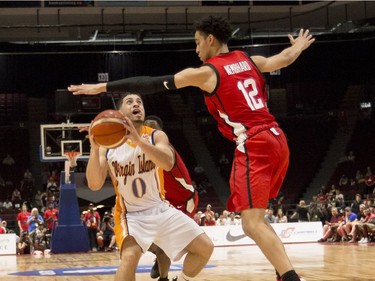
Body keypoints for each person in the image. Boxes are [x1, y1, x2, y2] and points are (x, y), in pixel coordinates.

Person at [68, 15, 314, 281]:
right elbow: (285, 58)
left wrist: (102, 87)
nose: (196, 50)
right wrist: (299, 45)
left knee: (251, 223)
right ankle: (282, 272)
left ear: (210, 39)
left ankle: (290, 277)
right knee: (257, 219)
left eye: (197, 43)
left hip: (253, 141)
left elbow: (150, 83)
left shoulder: (207, 72)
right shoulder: (249, 60)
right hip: (278, 138)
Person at [80, 93, 213, 281]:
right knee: (130, 257)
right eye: (130, 102)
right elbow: (94, 185)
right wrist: (94, 149)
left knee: (205, 248)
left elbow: (167, 163)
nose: (136, 104)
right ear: (119, 113)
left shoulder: (156, 136)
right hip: (131, 215)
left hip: (160, 208)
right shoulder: (107, 146)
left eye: (139, 102)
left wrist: (139, 141)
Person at [144, 115, 200, 280]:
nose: (150, 132)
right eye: (147, 128)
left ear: (160, 133)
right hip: (164, 201)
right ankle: (159, 256)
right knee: (134, 235)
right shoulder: (142, 150)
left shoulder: (164, 149)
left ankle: (164, 276)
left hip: (184, 201)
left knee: (166, 243)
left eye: (153, 129)